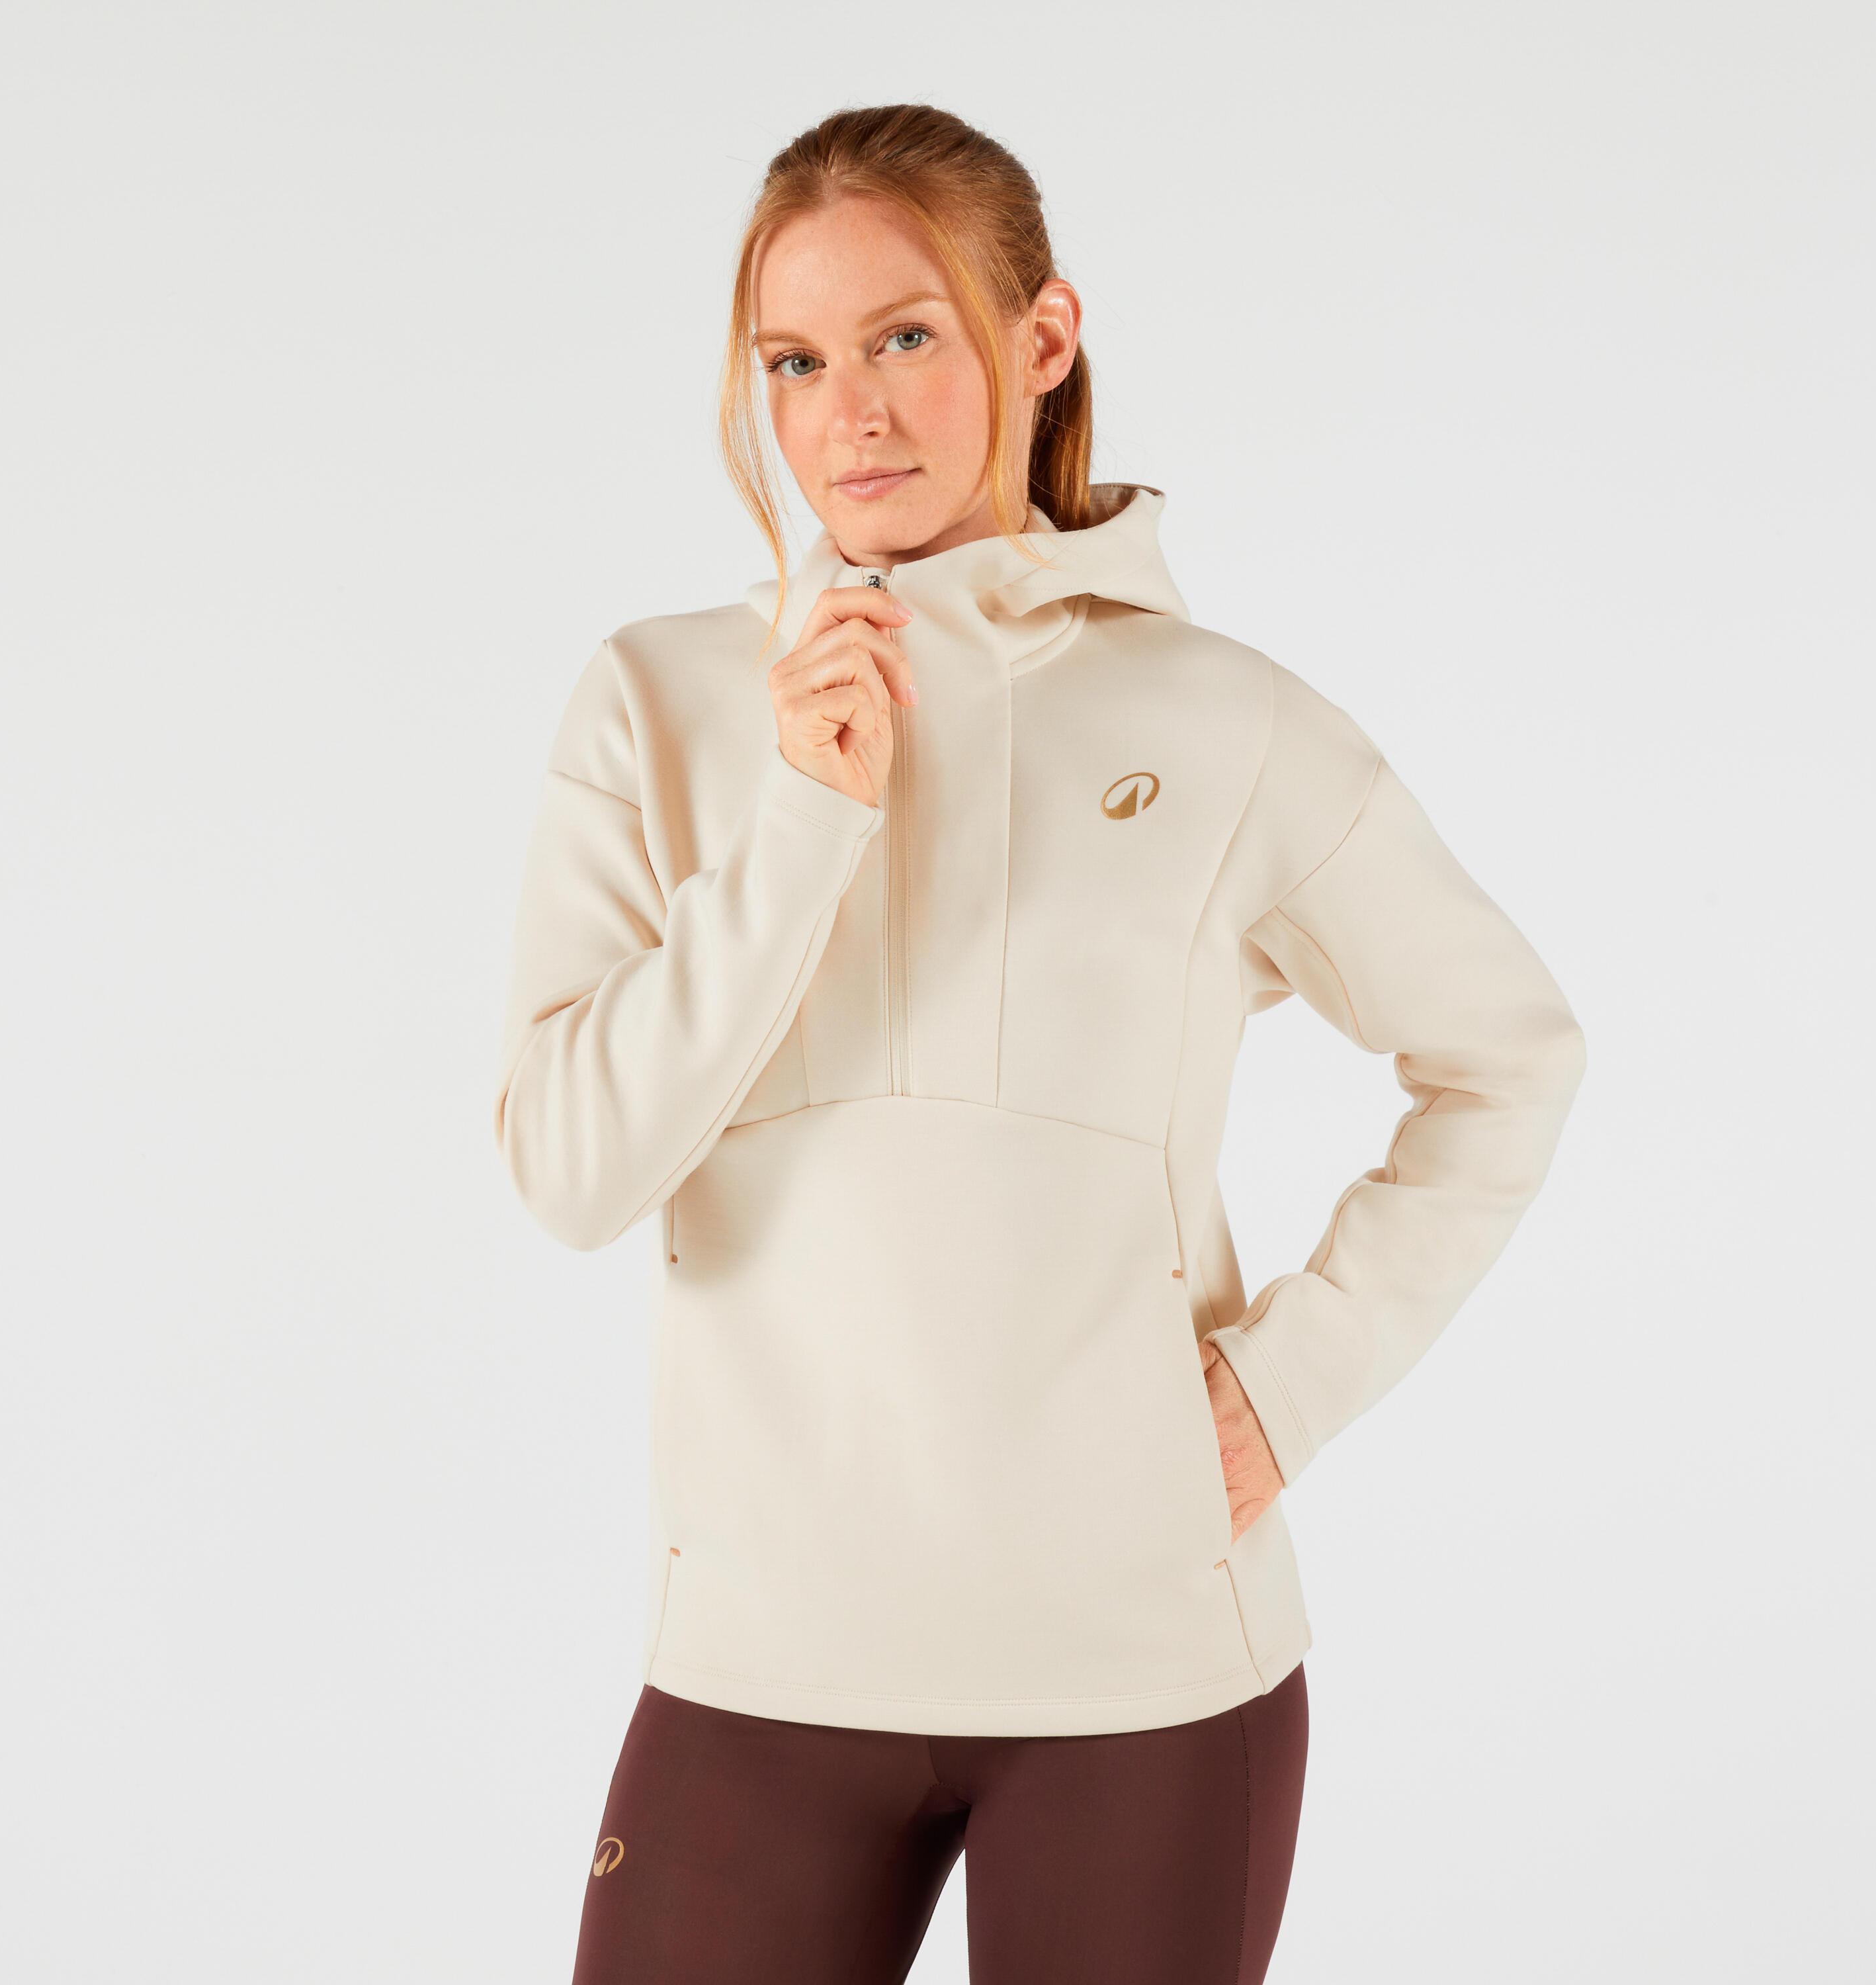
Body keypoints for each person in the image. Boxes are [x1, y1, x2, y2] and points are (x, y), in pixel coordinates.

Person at [491, 103, 1585, 1985]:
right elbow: (573, 1171)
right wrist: (806, 819)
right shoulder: (658, 702)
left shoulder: (1227, 724)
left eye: (906, 336)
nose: (850, 413)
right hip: (762, 1659)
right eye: (794, 362)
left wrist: (1290, 1387)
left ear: (1044, 337)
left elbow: (1509, 1055)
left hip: (1146, 1673)